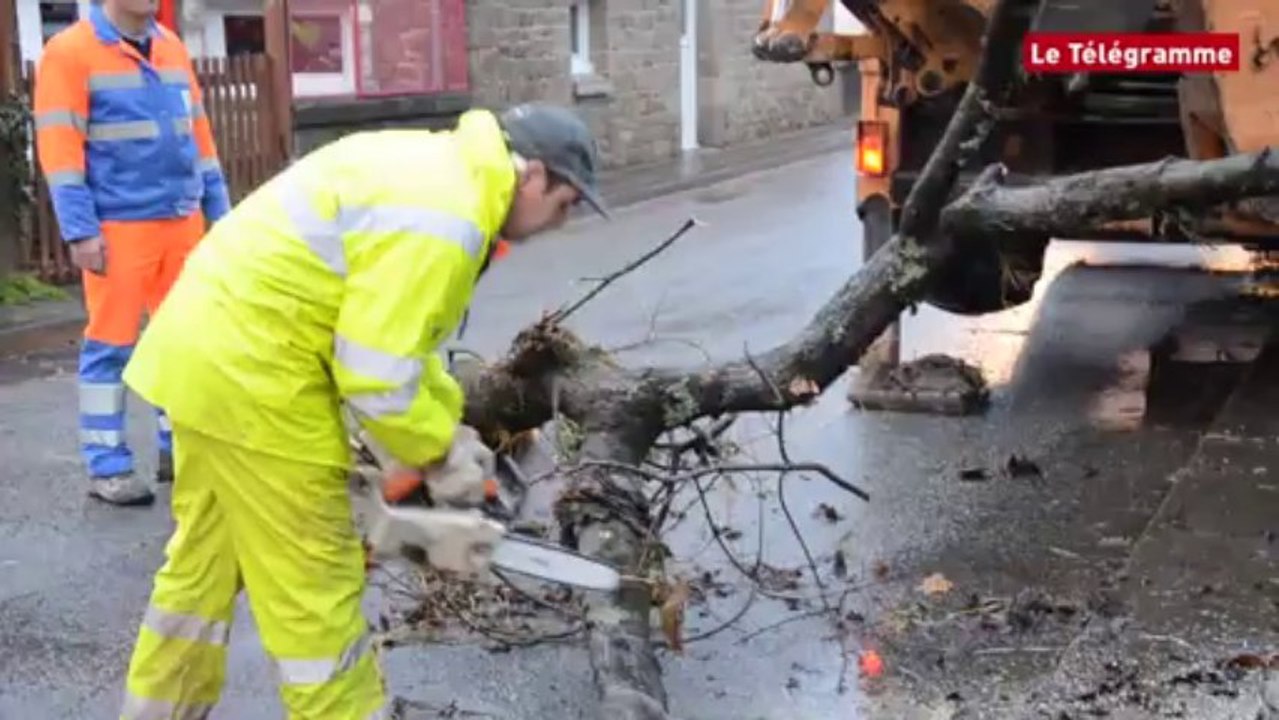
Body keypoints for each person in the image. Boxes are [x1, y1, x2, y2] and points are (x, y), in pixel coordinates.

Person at [116, 103, 608, 719]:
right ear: (534, 175)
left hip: (201, 359)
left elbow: (406, 347)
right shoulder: (449, 217)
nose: (559, 223)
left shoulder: (438, 170)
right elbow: (375, 373)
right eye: (564, 205)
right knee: (318, 599)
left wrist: (449, 428)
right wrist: (439, 458)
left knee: (199, 578)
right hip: (259, 382)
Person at [33, 0, 231, 506]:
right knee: (111, 346)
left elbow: (200, 138)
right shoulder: (70, 52)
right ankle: (107, 465)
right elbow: (60, 152)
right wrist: (81, 232)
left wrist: (220, 216)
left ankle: (178, 450)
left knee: (186, 344)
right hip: (119, 227)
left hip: (182, 219)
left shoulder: (171, 47)